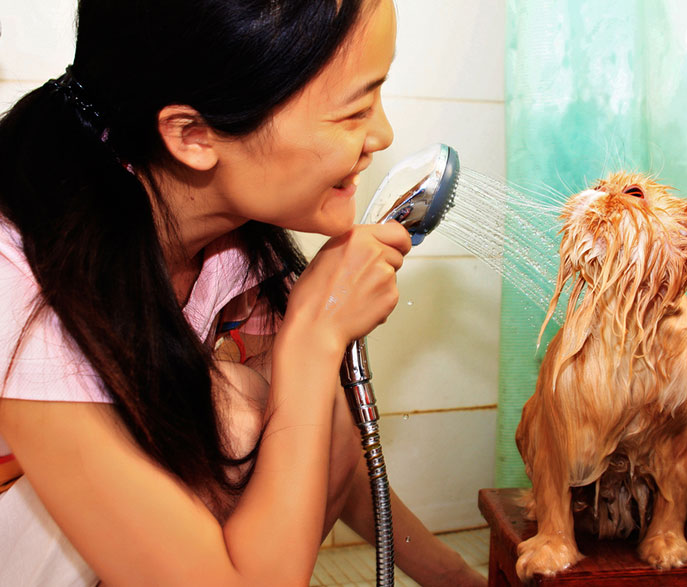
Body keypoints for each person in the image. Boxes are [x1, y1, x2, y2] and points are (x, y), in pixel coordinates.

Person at [0, 0, 486, 584]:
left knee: (313, 417)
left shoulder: (225, 239)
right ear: (193, 135)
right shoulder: (23, 288)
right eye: (355, 110)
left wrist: (454, 576)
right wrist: (314, 335)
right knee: (237, 410)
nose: (382, 135)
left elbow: (331, 459)